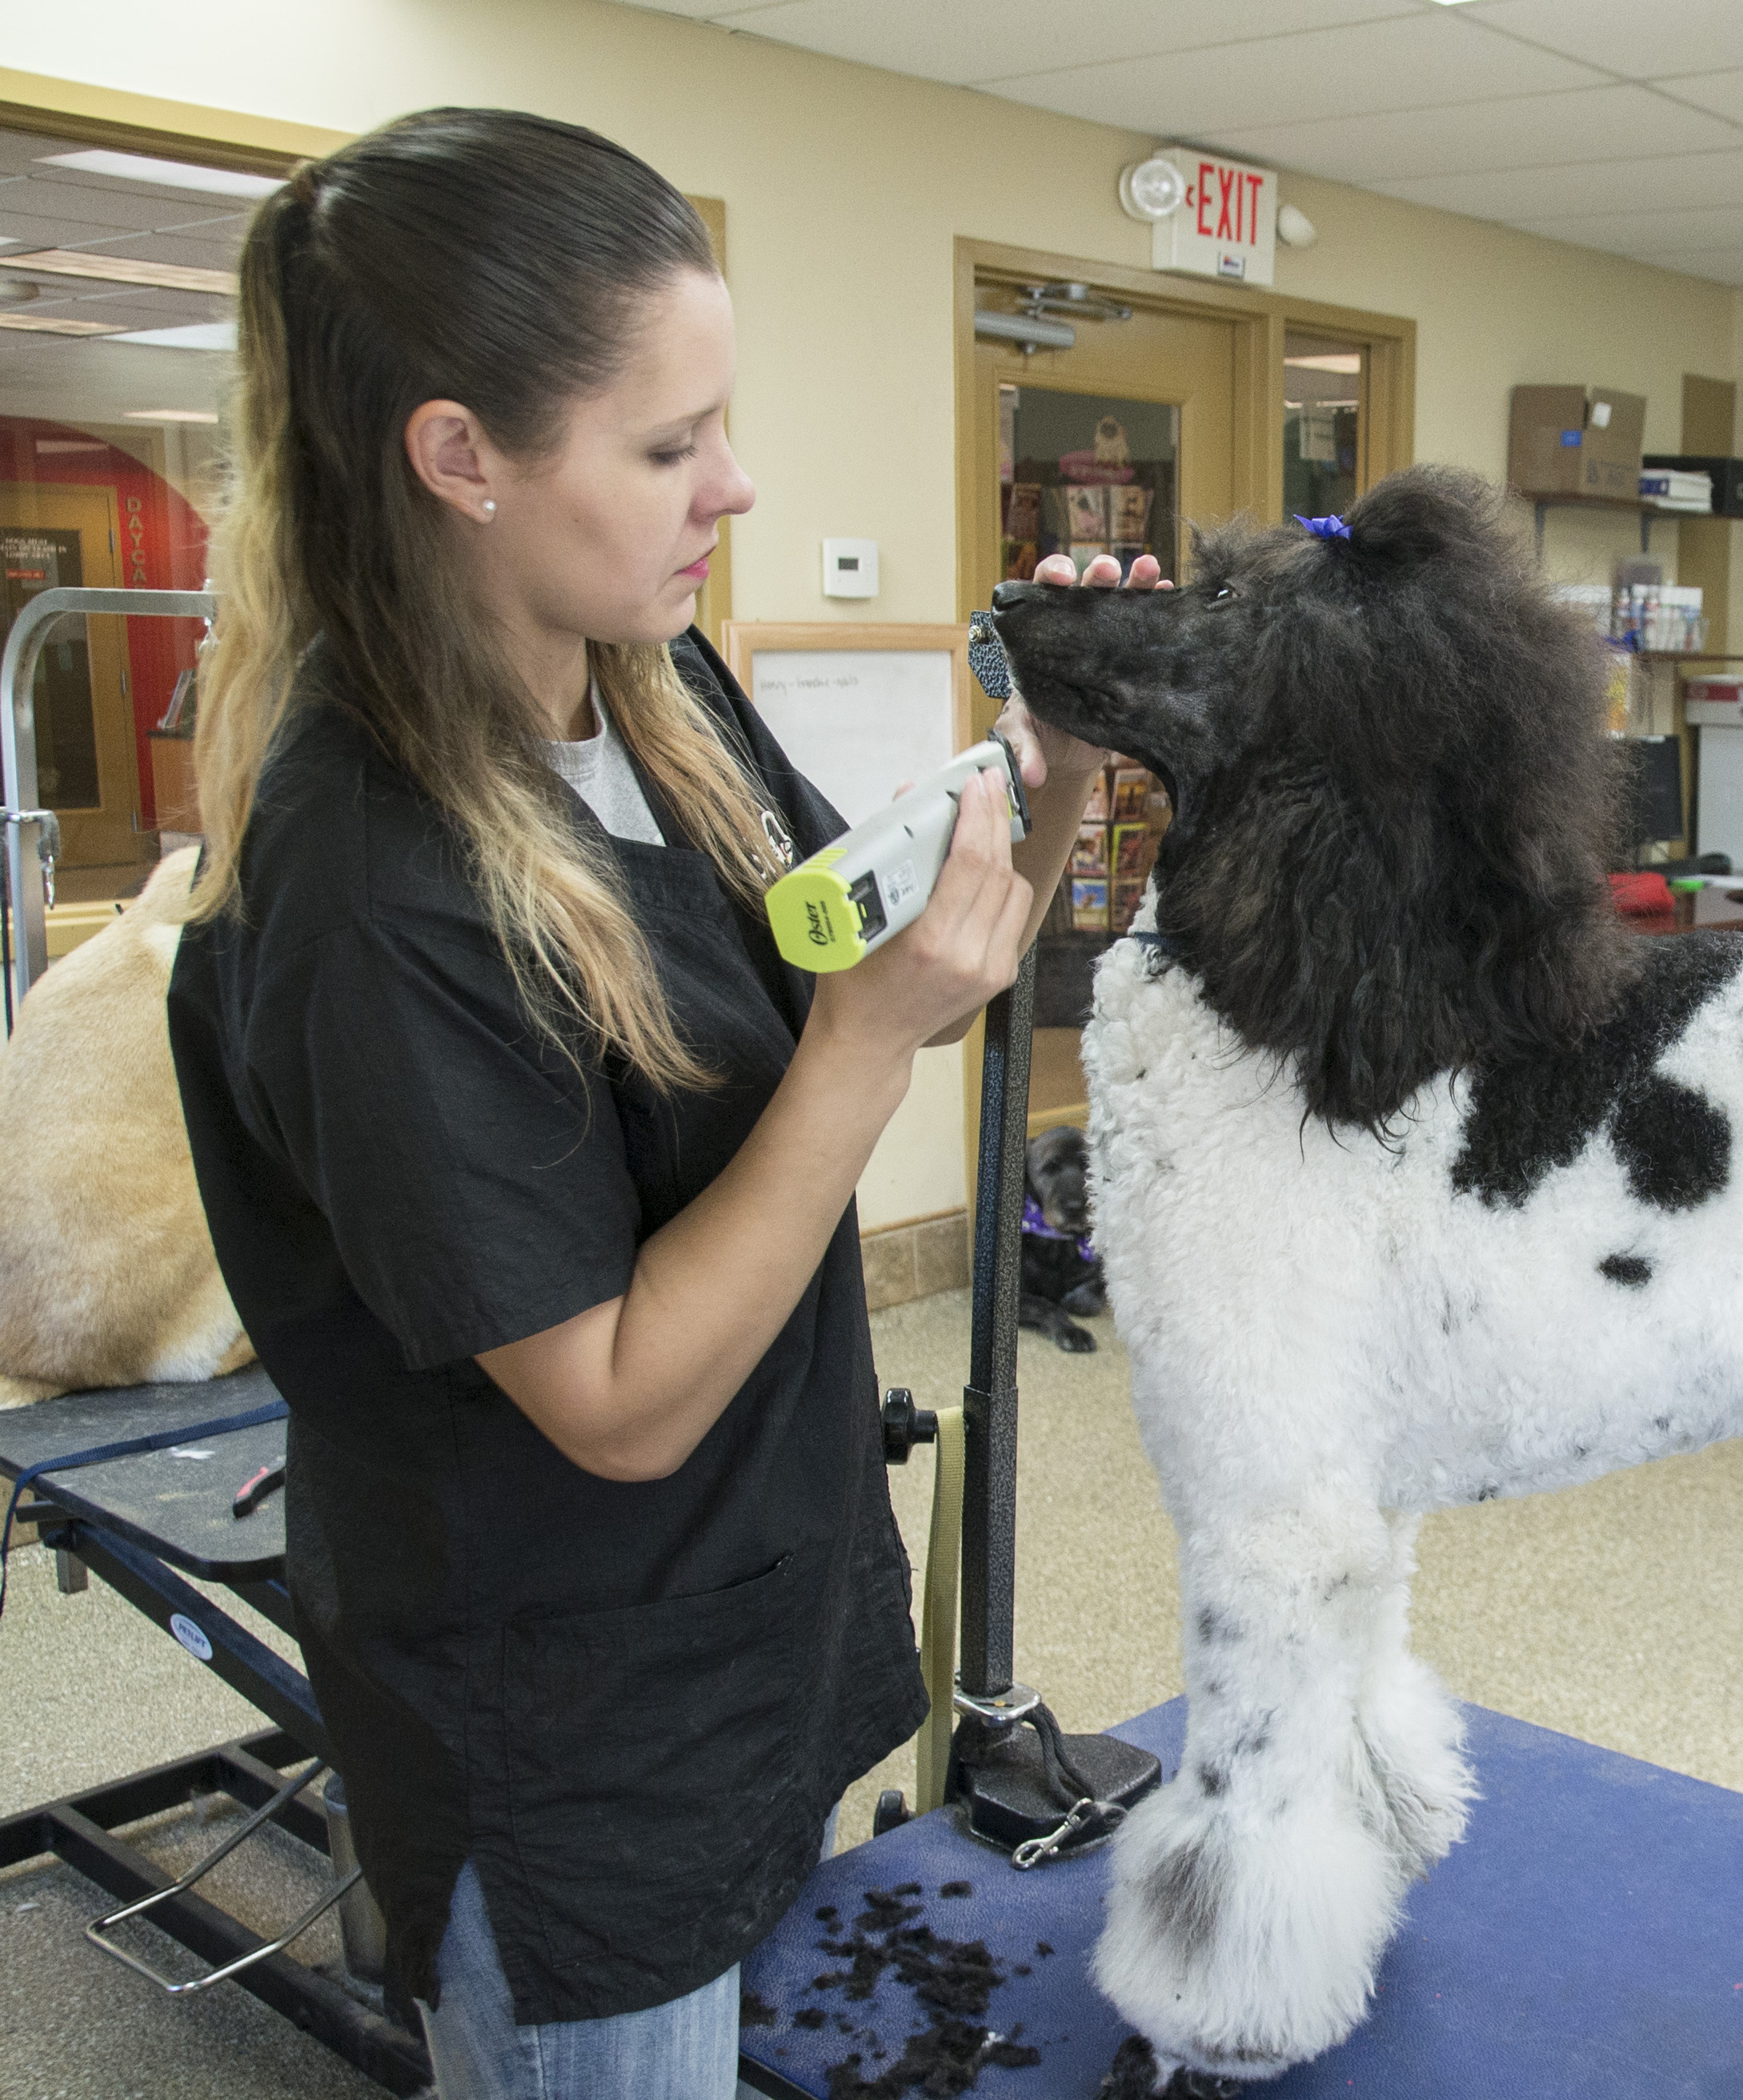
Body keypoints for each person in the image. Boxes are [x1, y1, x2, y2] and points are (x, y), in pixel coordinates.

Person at [165, 110, 1146, 2095]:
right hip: (562, 1739)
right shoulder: (371, 890)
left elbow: (897, 960)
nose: (737, 483)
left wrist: (1057, 769)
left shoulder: (649, 691)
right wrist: (859, 1047)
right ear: (461, 455)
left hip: (737, 1632)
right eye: (670, 444)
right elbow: (612, 1395)